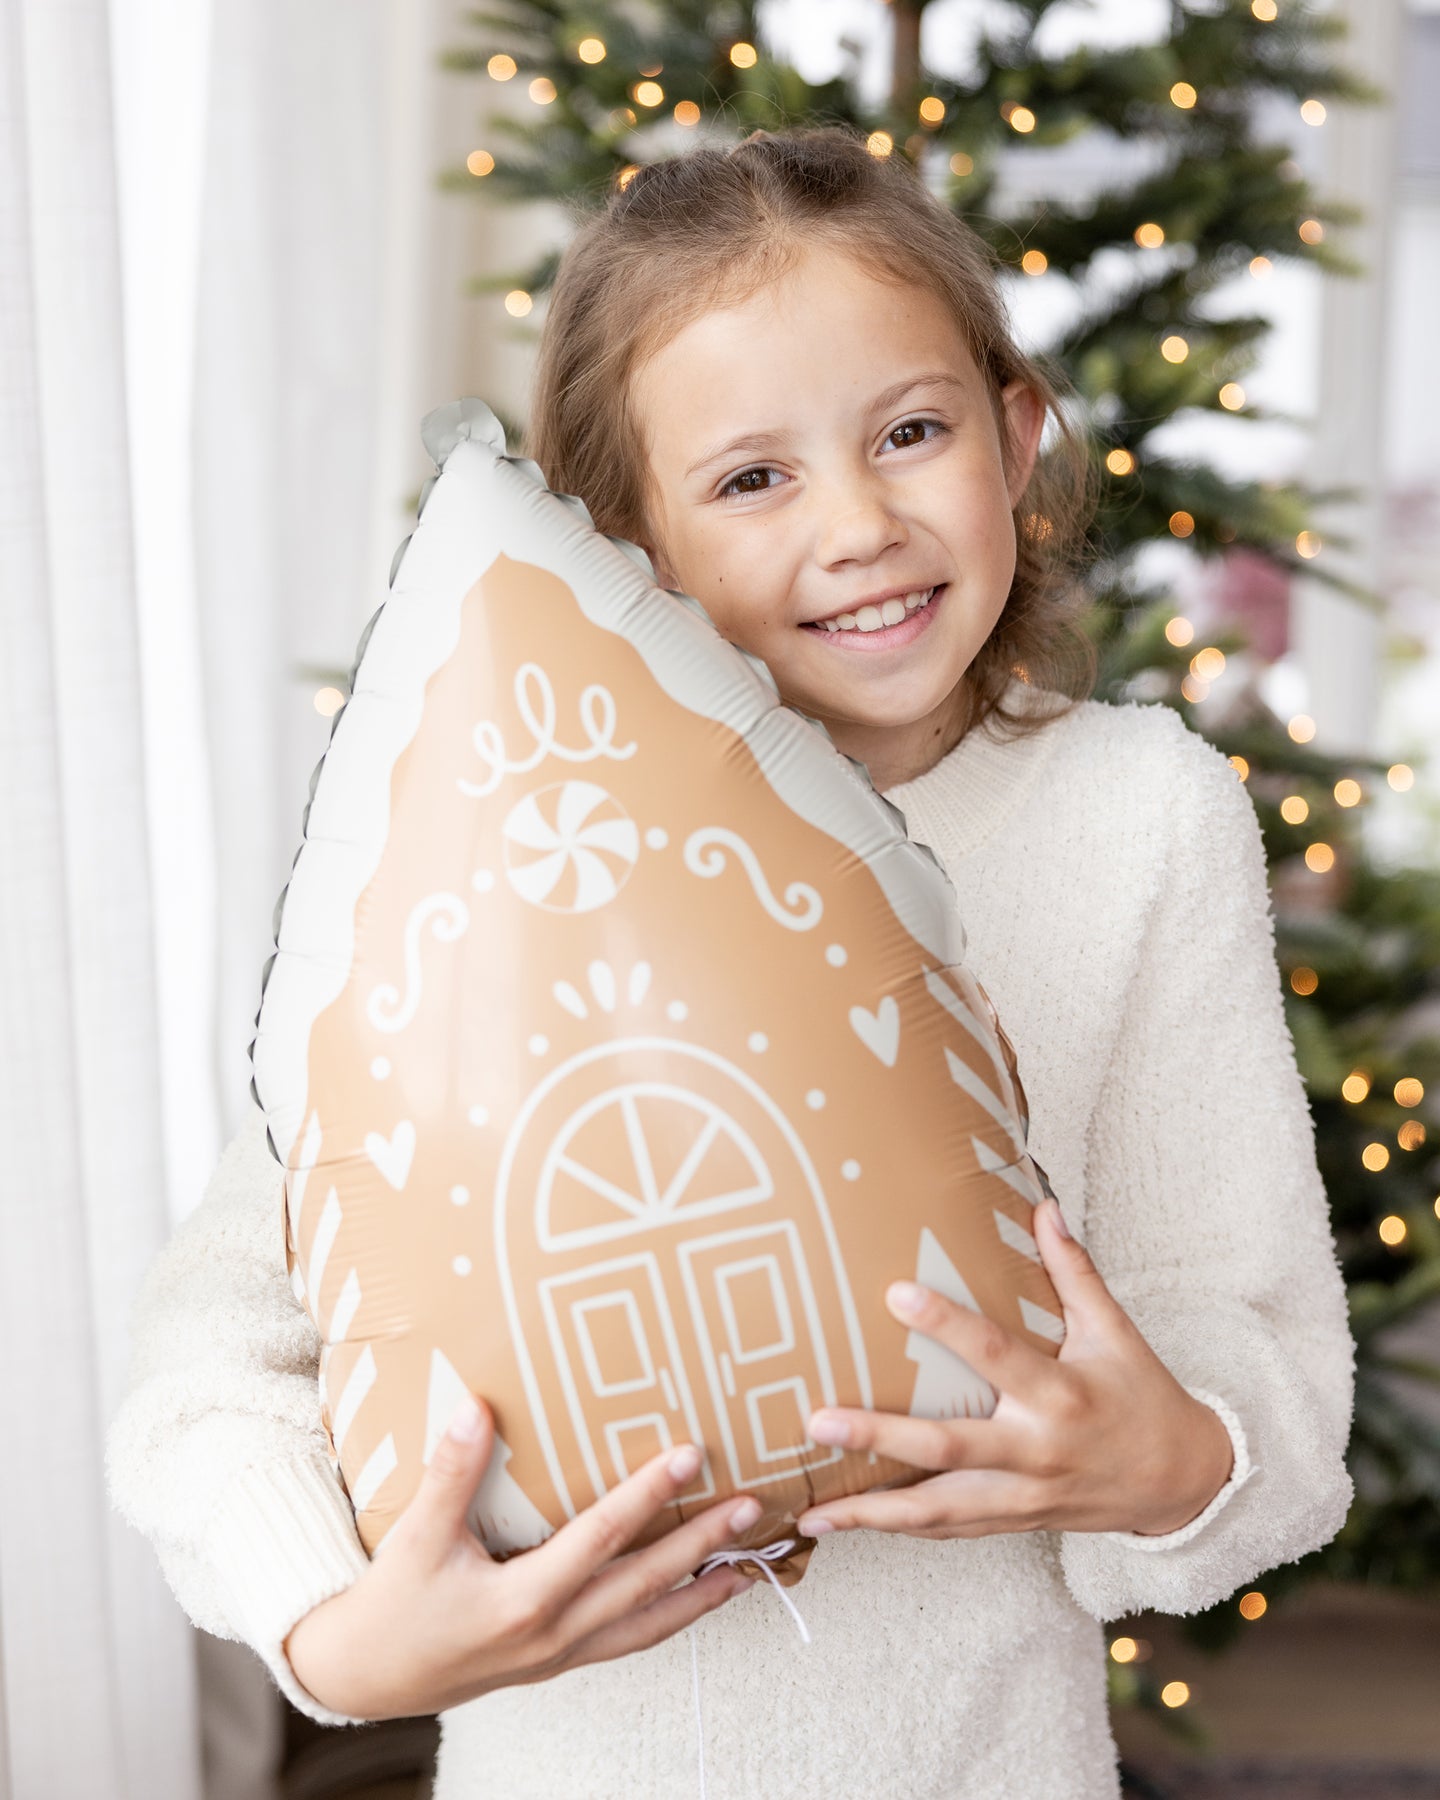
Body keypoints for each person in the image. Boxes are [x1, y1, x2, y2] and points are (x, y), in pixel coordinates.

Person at [106, 125, 1356, 1799]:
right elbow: (212, 1359)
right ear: (626, 536)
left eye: (910, 434)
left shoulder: (1140, 817)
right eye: (753, 477)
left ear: (1016, 432)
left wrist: (1172, 1461)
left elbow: (1255, 1341)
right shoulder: (490, 852)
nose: (859, 528)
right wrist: (339, 1635)